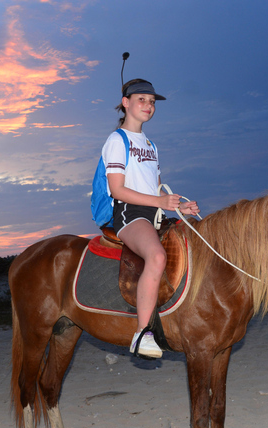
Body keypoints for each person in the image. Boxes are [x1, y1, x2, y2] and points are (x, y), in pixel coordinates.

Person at [103, 78, 199, 358]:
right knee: (156, 256)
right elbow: (117, 189)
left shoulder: (151, 146)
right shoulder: (117, 140)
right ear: (126, 103)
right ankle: (142, 333)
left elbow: (155, 188)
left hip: (154, 213)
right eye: (141, 99)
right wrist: (158, 201)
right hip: (129, 214)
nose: (148, 105)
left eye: (152, 101)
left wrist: (179, 206)